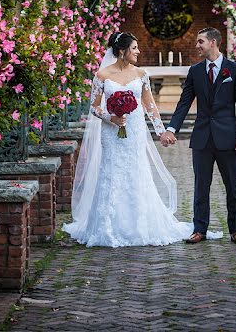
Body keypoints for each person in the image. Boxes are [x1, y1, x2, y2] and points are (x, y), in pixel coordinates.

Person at [63, 31, 221, 247]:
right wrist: (111, 117)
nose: (138, 51)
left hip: (135, 133)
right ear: (122, 51)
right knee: (111, 172)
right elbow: (94, 107)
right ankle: (108, 225)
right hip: (111, 134)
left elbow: (150, 107)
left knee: (136, 171)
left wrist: (162, 132)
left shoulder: (141, 74)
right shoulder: (102, 76)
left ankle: (139, 224)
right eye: (134, 48)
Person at [165, 27, 236, 245]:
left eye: (200, 41)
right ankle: (199, 229)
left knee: (233, 186)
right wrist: (171, 128)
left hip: (228, 138)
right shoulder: (195, 71)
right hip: (202, 137)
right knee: (201, 186)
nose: (197, 45)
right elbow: (184, 103)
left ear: (213, 42)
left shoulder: (235, 70)